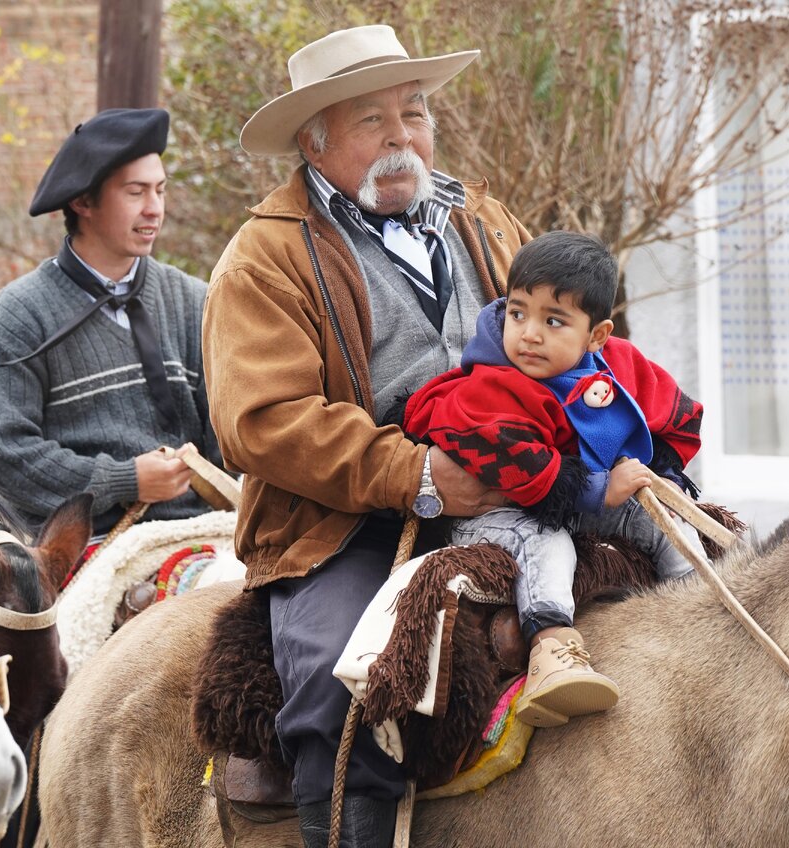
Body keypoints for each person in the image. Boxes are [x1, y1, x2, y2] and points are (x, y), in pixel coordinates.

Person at [202, 24, 530, 848]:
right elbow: (263, 420)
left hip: (518, 489)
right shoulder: (264, 256)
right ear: (313, 143)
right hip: (340, 524)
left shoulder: (484, 223)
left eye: (414, 111)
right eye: (370, 121)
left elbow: (567, 341)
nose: (401, 137)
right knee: (342, 683)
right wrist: (416, 473)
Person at [403, 231, 704, 727]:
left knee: (664, 520)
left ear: (597, 335)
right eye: (518, 313)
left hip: (582, 496)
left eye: (554, 320)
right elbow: (513, 461)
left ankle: (700, 606)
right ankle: (551, 649)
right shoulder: (493, 383)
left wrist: (657, 472)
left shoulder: (617, 364)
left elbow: (679, 412)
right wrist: (598, 489)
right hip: (493, 512)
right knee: (547, 541)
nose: (530, 334)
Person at [0, 108, 223, 540]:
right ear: (83, 202)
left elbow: (228, 437)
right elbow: (0, 451)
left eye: (160, 190)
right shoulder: (20, 312)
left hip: (206, 536)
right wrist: (126, 480)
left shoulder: (193, 299)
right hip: (82, 551)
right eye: (135, 192)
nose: (154, 209)